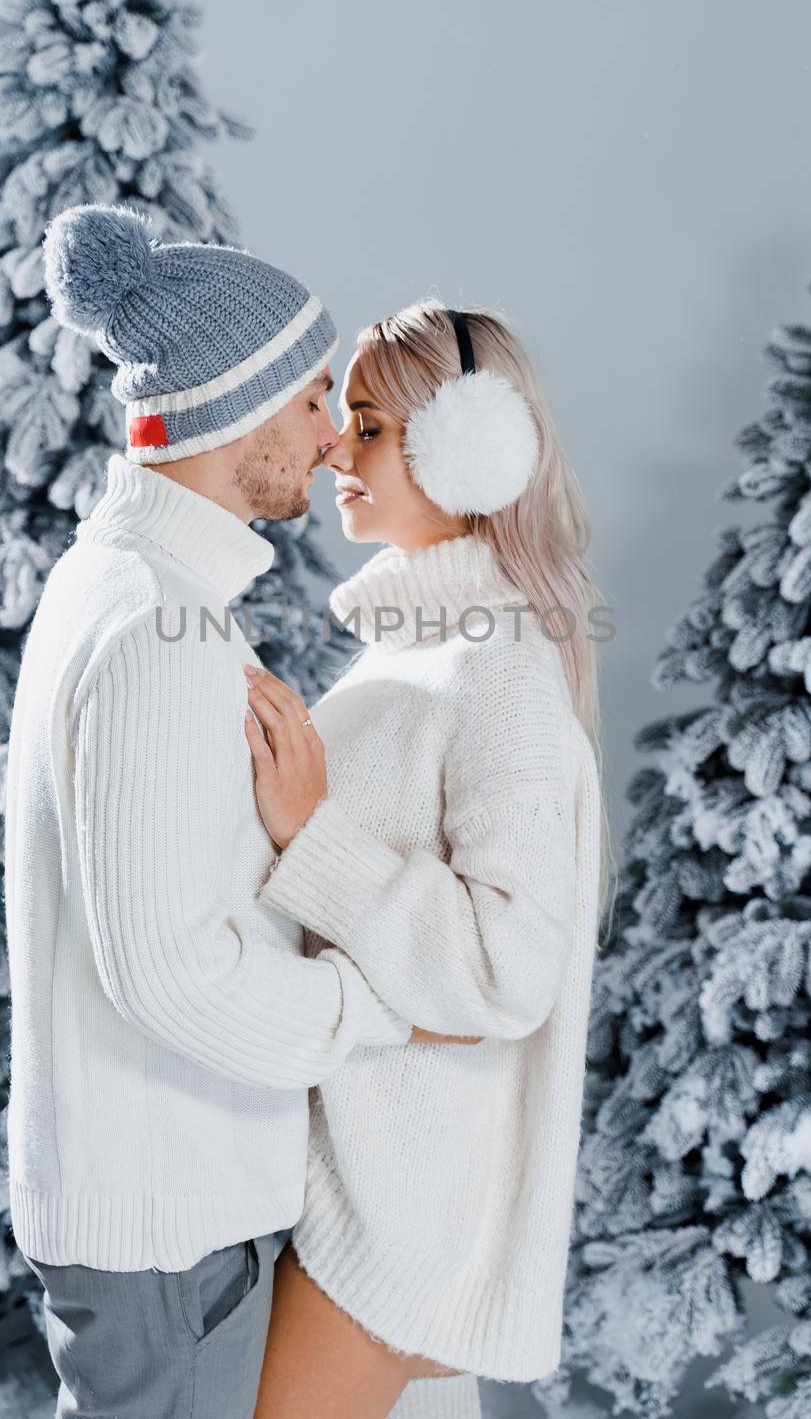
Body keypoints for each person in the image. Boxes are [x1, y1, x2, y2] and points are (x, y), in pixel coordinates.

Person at [2, 204, 471, 1419]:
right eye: (312, 399)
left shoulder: (136, 590)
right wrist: (374, 1012)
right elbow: (168, 973)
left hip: (164, 1213)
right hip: (167, 1223)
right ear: (228, 408)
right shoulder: (155, 628)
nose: (329, 437)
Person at [243, 302, 612, 1419]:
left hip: (389, 1222)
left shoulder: (494, 668)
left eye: (367, 426)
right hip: (356, 1191)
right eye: (341, 421)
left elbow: (508, 971)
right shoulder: (418, 660)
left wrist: (314, 835)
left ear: (468, 450)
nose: (333, 450)